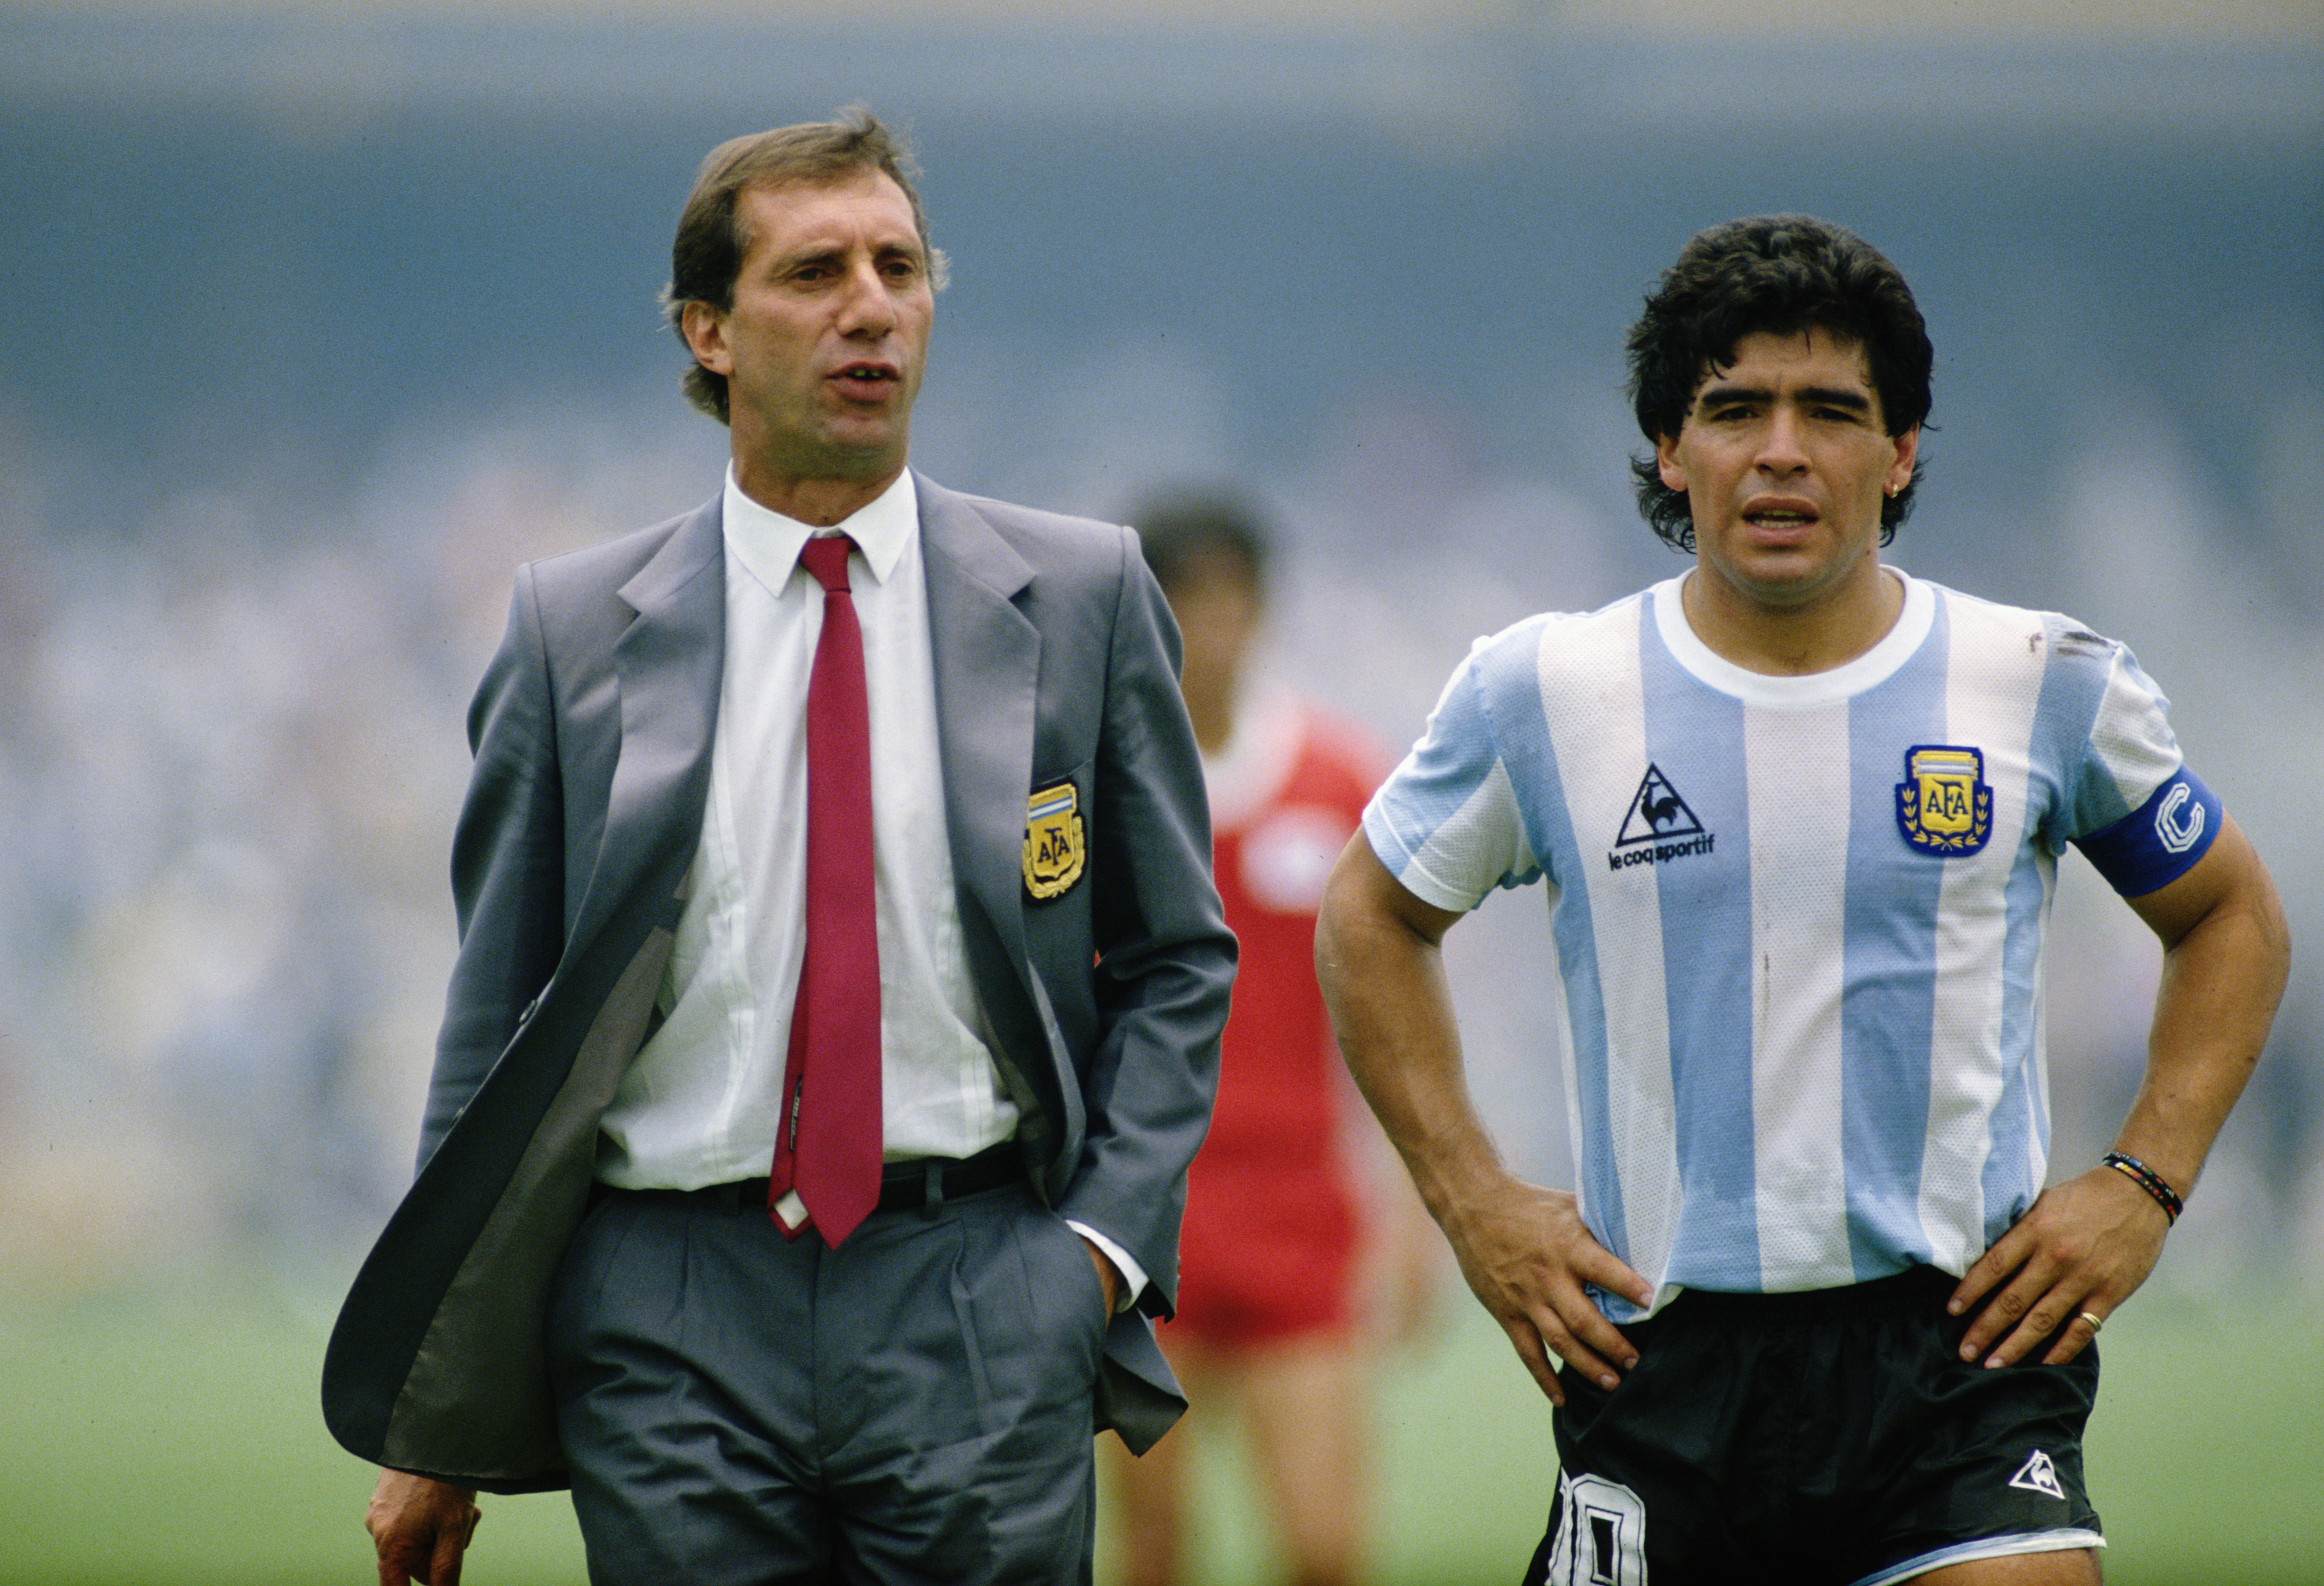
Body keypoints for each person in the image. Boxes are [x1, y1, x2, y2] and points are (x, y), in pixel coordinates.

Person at [322, 111, 1235, 1586]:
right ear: (710, 331)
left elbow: (1180, 955)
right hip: (666, 1306)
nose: (870, 304)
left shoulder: (1081, 595)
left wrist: (1096, 1256)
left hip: (980, 1277)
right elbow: (498, 1026)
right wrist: (435, 1406)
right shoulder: (571, 634)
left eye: (898, 264)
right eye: (815, 271)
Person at [1313, 214, 2290, 1585]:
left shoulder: (2043, 680)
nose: (1782, 448)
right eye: (1734, 408)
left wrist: (2144, 1183)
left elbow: (2232, 915)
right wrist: (1471, 1200)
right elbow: (1369, 917)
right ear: (1671, 446)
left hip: (1962, 1354)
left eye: (1832, 410)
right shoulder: (1543, 690)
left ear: (1898, 455)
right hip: (1663, 1356)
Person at [1102, 493, 1427, 1586]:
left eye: (1226, 600)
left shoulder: (1339, 781)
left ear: (1262, 607)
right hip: (1144, 1216)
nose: (1209, 629)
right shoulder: (1096, 794)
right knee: (1153, 1548)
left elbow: (1392, 1015)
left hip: (1298, 1212)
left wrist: (1414, 1209)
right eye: (1179, 603)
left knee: (1326, 1550)